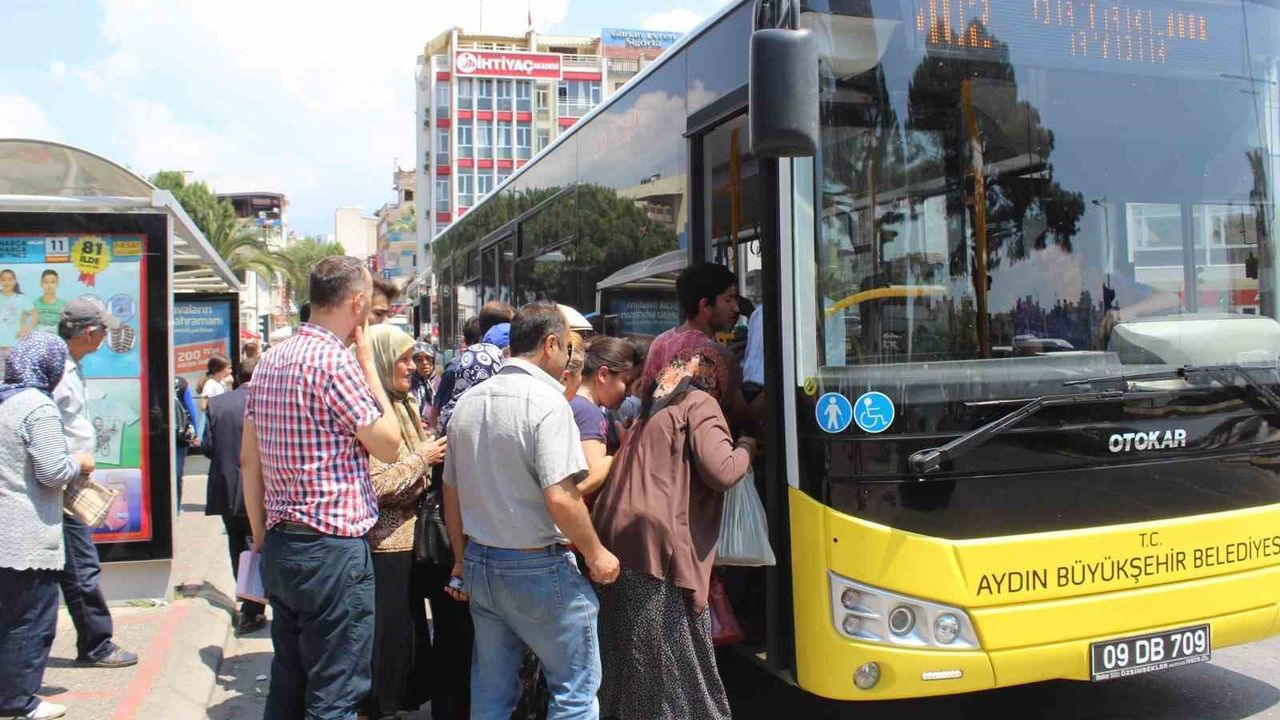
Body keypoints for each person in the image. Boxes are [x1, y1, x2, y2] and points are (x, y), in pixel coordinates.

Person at [241, 255, 404, 720]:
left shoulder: (270, 360)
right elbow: (390, 445)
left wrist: (260, 533)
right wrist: (369, 365)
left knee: (289, 682)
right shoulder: (335, 362)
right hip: (332, 549)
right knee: (335, 691)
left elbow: (249, 459)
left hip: (282, 544)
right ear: (356, 302)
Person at [441, 302, 620, 720]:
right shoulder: (547, 403)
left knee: (491, 696)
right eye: (569, 348)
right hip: (537, 567)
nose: (570, 358)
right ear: (550, 344)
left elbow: (452, 493)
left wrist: (461, 560)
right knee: (574, 695)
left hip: (482, 563)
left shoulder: (469, 402)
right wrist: (596, 554)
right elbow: (561, 496)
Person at [592, 347, 756, 720]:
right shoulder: (700, 404)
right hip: (657, 548)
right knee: (675, 662)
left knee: (630, 657)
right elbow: (723, 470)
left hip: (617, 538)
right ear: (718, 377)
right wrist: (747, 445)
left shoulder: (653, 406)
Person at [0, 332, 96, 720]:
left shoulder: (4, 400)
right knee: (31, 619)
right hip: (26, 532)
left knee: (8, 617)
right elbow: (52, 472)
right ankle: (19, 701)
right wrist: (80, 463)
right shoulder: (38, 408)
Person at [361, 324, 448, 720]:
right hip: (385, 545)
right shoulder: (374, 414)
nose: (412, 366)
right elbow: (378, 484)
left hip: (411, 541)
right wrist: (422, 459)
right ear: (382, 361)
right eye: (403, 359)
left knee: (408, 629)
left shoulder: (405, 405)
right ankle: (381, 707)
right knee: (389, 633)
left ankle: (395, 701)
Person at [51, 298, 138, 669]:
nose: (106, 337)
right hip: (60, 480)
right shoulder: (57, 370)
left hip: (69, 477)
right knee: (80, 566)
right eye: (103, 330)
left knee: (75, 565)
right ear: (89, 332)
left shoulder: (71, 366)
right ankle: (96, 644)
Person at [639, 263, 761, 430]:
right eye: (728, 299)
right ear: (705, 306)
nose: (736, 308)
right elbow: (745, 418)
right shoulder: (717, 356)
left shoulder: (660, 342)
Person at [201, 359, 266, 635]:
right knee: (257, 544)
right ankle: (253, 608)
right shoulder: (267, 401)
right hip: (260, 486)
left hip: (227, 487)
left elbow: (207, 446)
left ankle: (248, 602)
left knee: (237, 544)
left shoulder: (218, 404)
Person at [572, 337, 643, 498]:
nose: (629, 393)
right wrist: (623, 448)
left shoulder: (571, 402)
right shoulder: (589, 413)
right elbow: (587, 480)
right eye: (627, 383)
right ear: (603, 374)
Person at [21, 270, 65, 337]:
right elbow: (22, 317)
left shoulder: (64, 306)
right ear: (41, 283)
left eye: (53, 282)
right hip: (38, 340)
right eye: (46, 282)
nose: (49, 285)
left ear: (57, 284)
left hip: (57, 341)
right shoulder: (34, 305)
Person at [409, 342, 437, 421]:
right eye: (419, 360)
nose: (425, 363)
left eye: (428, 359)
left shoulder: (440, 384)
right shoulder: (408, 385)